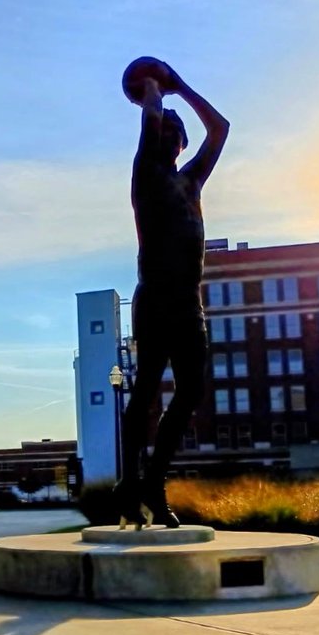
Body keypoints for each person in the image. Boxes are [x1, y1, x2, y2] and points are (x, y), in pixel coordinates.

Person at [115, 61, 229, 528]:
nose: (165, 134)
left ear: (181, 143)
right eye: (160, 128)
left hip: (189, 304)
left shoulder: (192, 181)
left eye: (173, 131)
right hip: (155, 299)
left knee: (190, 392)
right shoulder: (146, 173)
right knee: (144, 394)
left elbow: (220, 128)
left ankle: (150, 481)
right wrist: (153, 94)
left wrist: (181, 86)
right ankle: (133, 486)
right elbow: (150, 121)